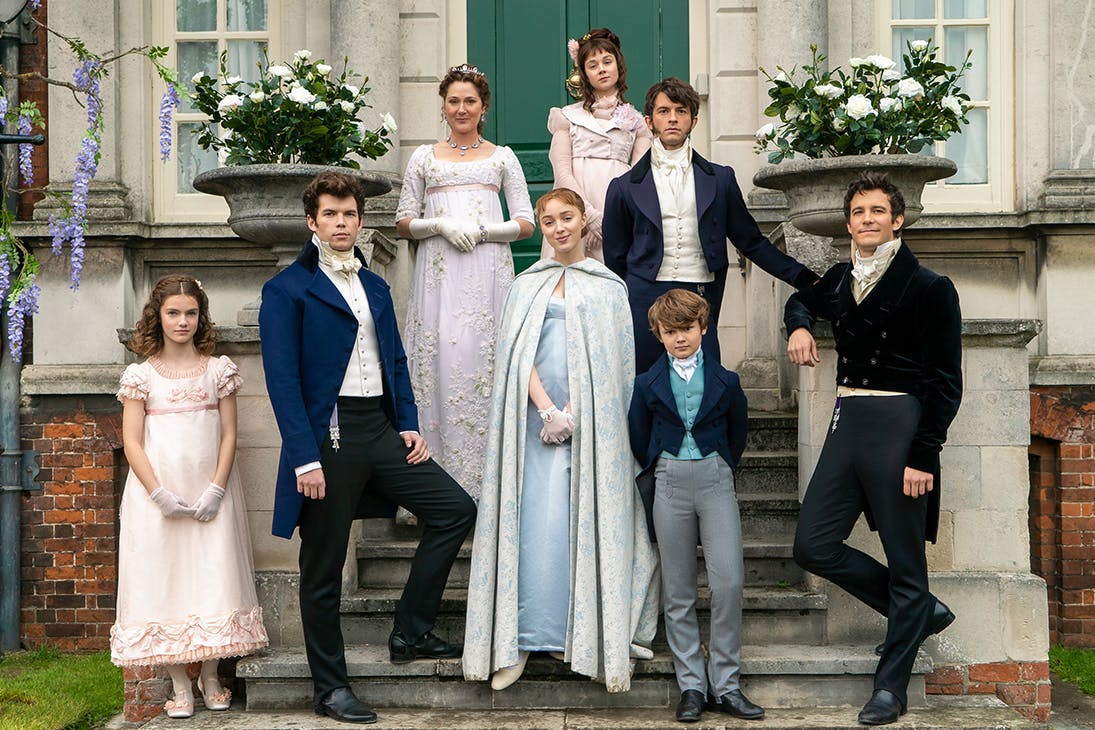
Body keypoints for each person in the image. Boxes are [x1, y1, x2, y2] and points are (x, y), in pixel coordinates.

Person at [260, 171, 476, 724]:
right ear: (312, 222)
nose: (341, 223)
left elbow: (395, 361)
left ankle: (410, 630)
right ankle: (331, 689)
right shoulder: (286, 290)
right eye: (330, 214)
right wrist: (304, 457)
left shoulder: (375, 286)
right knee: (323, 567)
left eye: (349, 214)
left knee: (455, 509)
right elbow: (282, 381)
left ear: (360, 221)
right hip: (327, 437)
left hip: (378, 429)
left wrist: (408, 423)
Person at [463, 188, 659, 693]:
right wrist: (548, 410)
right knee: (536, 526)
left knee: (578, 524)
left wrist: (574, 413)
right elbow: (514, 356)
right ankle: (521, 640)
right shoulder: (525, 285)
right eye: (548, 221)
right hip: (532, 426)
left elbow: (615, 370)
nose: (558, 228)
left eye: (566, 217)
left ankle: (576, 634)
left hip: (591, 427)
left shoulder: (609, 288)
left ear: (583, 221)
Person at [785, 172, 962, 726]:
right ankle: (920, 613)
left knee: (906, 562)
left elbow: (945, 383)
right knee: (813, 545)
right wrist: (799, 327)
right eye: (859, 212)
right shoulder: (840, 278)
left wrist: (923, 455)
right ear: (848, 223)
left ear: (897, 220)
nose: (867, 219)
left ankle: (891, 688)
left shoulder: (930, 287)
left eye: (878, 211)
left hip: (899, 426)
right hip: (847, 421)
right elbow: (800, 299)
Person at [111, 274, 268, 719]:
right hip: (158, 498)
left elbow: (229, 433)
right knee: (165, 581)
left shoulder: (218, 370)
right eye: (174, 313)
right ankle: (180, 683)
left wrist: (217, 488)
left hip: (210, 494)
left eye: (191, 313)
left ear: (201, 317)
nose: (183, 321)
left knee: (214, 576)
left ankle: (211, 675)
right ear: (157, 316)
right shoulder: (141, 376)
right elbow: (132, 441)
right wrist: (158, 494)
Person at [602, 77, 819, 373]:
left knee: (706, 382)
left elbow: (750, 241)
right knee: (646, 383)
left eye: (681, 111)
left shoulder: (720, 179)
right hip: (644, 297)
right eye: (664, 111)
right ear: (649, 121)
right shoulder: (623, 186)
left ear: (694, 120)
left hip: (700, 293)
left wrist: (803, 277)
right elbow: (615, 259)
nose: (673, 118)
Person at [396, 63, 535, 498]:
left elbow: (526, 222)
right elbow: (403, 221)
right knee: (438, 358)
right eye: (453, 101)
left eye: (469, 101)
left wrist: (483, 231)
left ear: (483, 106)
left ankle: (489, 487)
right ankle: (434, 485)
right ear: (443, 106)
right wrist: (438, 225)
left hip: (487, 271)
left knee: (483, 358)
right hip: (438, 277)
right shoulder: (423, 158)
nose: (461, 108)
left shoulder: (502, 157)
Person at [628, 289, 764, 723]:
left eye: (687, 328)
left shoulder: (727, 381)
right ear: (659, 335)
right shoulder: (646, 384)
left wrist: (719, 463)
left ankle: (726, 684)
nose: (680, 338)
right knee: (679, 589)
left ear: (703, 327)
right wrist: (663, 463)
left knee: (728, 582)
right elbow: (639, 436)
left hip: (715, 479)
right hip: (669, 481)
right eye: (670, 332)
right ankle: (691, 685)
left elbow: (738, 432)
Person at [543, 28, 651, 261]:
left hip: (616, 208)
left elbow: (638, 177)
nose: (601, 69)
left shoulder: (638, 123)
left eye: (607, 62)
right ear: (584, 74)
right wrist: (588, 216)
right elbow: (562, 172)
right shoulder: (566, 117)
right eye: (592, 65)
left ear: (618, 66)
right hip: (572, 207)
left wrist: (609, 220)